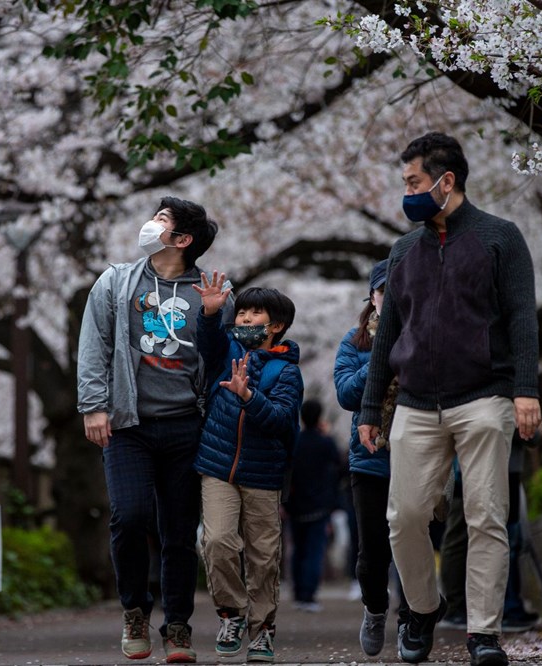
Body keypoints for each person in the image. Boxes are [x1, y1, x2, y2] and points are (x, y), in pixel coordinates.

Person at [358, 132, 542, 666]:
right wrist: (372, 409)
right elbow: (386, 332)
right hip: (414, 403)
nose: (406, 192)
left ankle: (484, 633)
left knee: (486, 515)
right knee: (406, 516)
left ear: (446, 181)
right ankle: (422, 609)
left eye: (413, 182)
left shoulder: (499, 238)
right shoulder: (403, 250)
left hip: (485, 397)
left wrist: (525, 391)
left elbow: (522, 318)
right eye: (405, 183)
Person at [77, 197, 228, 663]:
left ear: (182, 240)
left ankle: (178, 624)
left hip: (187, 425)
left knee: (179, 531)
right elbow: (94, 343)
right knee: (130, 516)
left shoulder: (211, 287)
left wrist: (211, 315)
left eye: (161, 220)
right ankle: (135, 611)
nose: (150, 224)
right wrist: (93, 406)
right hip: (129, 424)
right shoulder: (117, 282)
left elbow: (220, 361)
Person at [193, 279, 303, 663]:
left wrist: (249, 397)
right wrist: (210, 311)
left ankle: (263, 629)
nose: (245, 318)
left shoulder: (287, 372)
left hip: (264, 473)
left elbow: (282, 422)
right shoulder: (228, 352)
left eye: (255, 313)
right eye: (241, 311)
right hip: (218, 466)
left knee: (263, 556)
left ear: (277, 326)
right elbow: (207, 341)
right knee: (218, 542)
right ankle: (231, 614)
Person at [334, 259, 411, 657]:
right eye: (384, 292)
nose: (392, 299)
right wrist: (382, 358)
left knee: (414, 544)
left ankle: (413, 621)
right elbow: (346, 394)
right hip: (370, 457)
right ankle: (376, 609)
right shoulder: (355, 341)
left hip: (418, 452)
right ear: (373, 297)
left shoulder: (425, 335)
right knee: (373, 552)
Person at [439, 432, 542, 633]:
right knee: (475, 534)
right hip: (480, 468)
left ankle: (487, 611)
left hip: (486, 466)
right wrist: (534, 431)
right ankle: (470, 609)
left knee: (480, 534)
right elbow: (524, 431)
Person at [284, 399, 341, 613]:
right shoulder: (325, 443)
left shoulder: (295, 441)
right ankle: (309, 594)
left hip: (295, 505)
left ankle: (298, 592)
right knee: (314, 551)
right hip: (319, 505)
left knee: (297, 549)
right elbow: (339, 465)